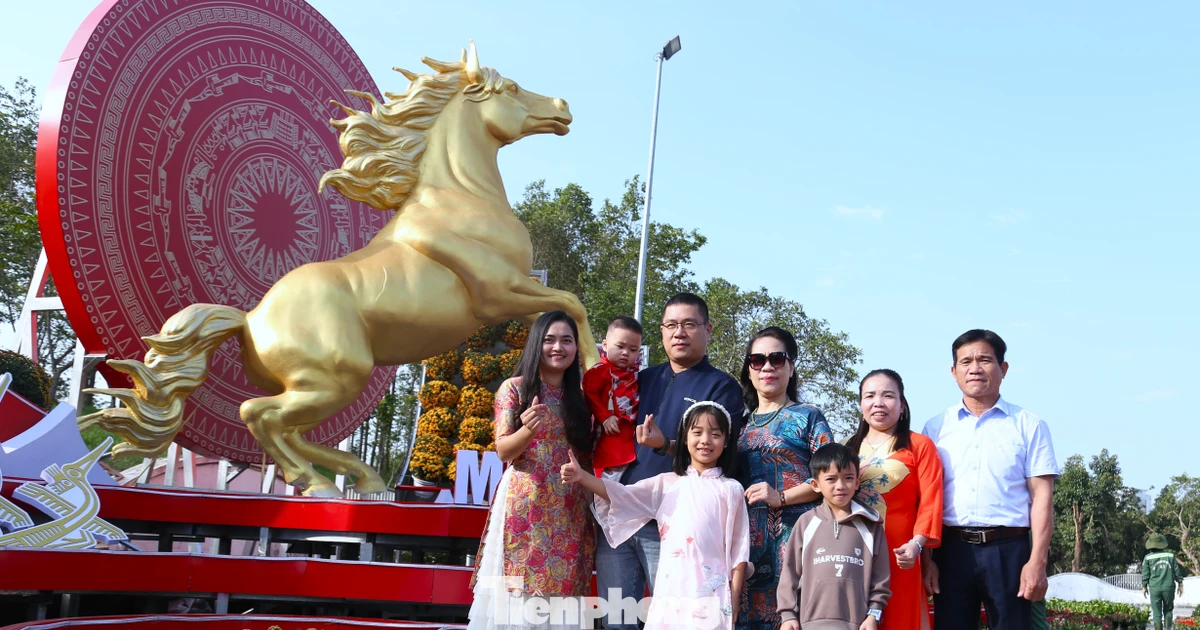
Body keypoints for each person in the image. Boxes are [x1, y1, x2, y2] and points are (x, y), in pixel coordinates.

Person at [595, 292, 745, 630]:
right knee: (618, 620)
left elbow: (719, 450)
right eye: (671, 325)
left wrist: (666, 445)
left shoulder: (721, 387)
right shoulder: (641, 378)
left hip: (673, 524)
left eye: (689, 324)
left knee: (676, 620)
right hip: (618, 520)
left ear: (708, 329)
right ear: (661, 332)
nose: (679, 332)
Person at [562, 401, 750, 630]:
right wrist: (582, 476)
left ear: (726, 441)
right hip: (671, 591)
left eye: (715, 434)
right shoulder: (667, 484)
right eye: (697, 432)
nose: (705, 441)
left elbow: (739, 551)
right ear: (683, 438)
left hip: (714, 593)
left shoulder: (731, 490)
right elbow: (621, 494)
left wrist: (735, 596)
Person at [921, 329, 1058, 630]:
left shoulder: (1029, 425)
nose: (975, 368)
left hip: (1009, 551)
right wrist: (927, 561)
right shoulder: (934, 427)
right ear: (953, 371)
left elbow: (1042, 497)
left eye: (985, 360)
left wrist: (1038, 562)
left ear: (1003, 369)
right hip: (952, 552)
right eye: (966, 361)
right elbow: (927, 499)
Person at [468, 310, 597, 630]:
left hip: (570, 510)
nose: (558, 348)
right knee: (517, 604)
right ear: (536, 344)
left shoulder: (582, 399)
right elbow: (503, 451)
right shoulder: (515, 389)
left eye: (567, 341)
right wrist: (527, 431)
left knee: (563, 604)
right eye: (550, 340)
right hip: (525, 508)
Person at [734, 326, 834, 629]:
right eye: (758, 360)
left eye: (777, 359)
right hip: (746, 548)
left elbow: (830, 475)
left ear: (791, 367)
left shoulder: (809, 416)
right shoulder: (736, 424)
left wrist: (782, 497)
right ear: (749, 370)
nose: (767, 366)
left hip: (797, 543)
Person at [845, 368, 943, 630]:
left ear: (902, 405)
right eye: (870, 396)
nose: (878, 402)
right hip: (850, 553)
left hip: (901, 555)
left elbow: (930, 502)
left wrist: (918, 546)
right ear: (861, 405)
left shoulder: (919, 445)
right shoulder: (846, 448)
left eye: (888, 395)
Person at [777, 443, 891, 630]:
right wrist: (788, 615)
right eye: (831, 479)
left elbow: (881, 579)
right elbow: (790, 574)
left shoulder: (871, 526)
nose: (840, 486)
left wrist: (874, 615)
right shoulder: (806, 523)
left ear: (857, 482)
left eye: (848, 478)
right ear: (815, 485)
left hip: (858, 624)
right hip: (809, 624)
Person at [584, 316, 643, 478]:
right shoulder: (598, 371)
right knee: (605, 490)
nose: (625, 353)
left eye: (633, 350)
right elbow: (589, 394)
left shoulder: (636, 373)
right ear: (605, 345)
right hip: (609, 437)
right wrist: (605, 417)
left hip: (631, 439)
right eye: (620, 346)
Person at [1142, 533, 1186, 630]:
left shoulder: (1147, 558)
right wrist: (1180, 584)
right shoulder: (1170, 556)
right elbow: (1177, 571)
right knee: (1168, 610)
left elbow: (1145, 574)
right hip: (1169, 587)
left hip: (1155, 588)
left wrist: (1144, 586)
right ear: (1162, 544)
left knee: (1157, 613)